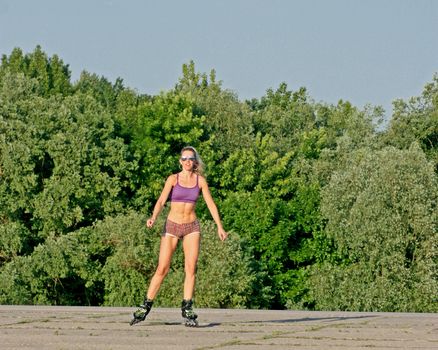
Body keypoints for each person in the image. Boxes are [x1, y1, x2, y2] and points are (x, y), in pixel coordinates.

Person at [130, 146, 228, 327]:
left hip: (192, 226)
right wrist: (153, 217)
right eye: (184, 158)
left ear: (195, 161)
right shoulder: (173, 179)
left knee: (190, 269)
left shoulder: (200, 181)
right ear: (180, 161)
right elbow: (161, 200)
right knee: (162, 268)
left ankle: (187, 308)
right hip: (172, 225)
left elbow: (211, 204)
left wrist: (220, 227)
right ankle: (145, 306)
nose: (187, 161)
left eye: (190, 158)